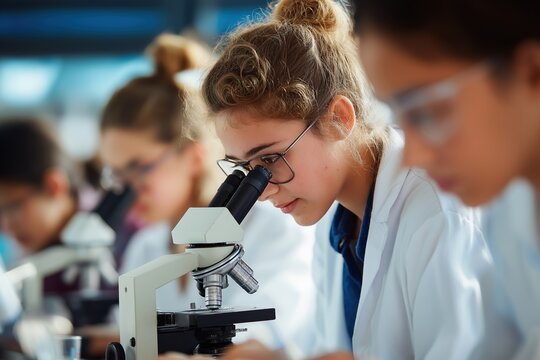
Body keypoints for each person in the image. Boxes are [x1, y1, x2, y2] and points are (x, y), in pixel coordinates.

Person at [193, 0, 492, 359]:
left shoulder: (435, 212)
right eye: (246, 169)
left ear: (338, 118)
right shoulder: (333, 228)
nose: (261, 191)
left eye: (270, 158)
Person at [98, 33, 317, 357]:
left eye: (139, 168)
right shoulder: (146, 247)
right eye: (117, 174)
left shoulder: (276, 226)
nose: (127, 189)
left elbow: (266, 339)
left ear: (194, 157)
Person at [352, 0, 540, 358]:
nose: (413, 157)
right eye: (397, 115)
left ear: (532, 71)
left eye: (426, 113)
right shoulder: (511, 207)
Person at [0, 119, 82, 296]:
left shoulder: (115, 251)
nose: (6, 226)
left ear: (54, 185)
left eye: (13, 207)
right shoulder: (39, 257)